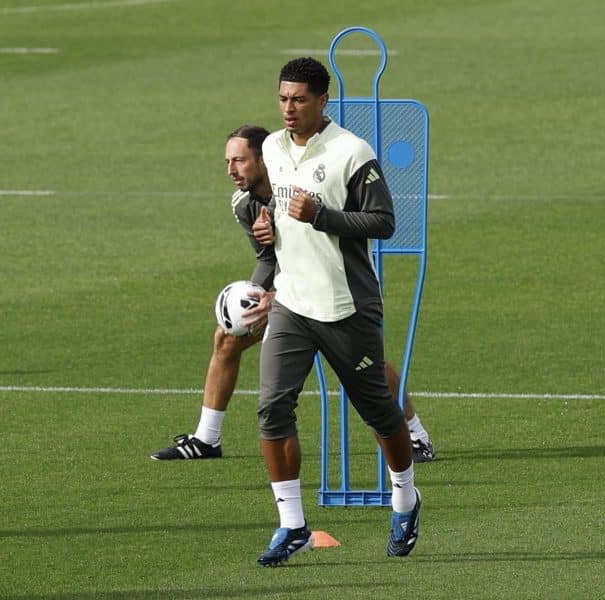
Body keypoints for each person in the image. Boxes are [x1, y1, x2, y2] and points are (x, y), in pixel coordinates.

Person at [150, 125, 435, 462]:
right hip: (290, 293)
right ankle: (206, 438)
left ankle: (416, 435)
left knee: (364, 364)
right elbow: (268, 257)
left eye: (239, 161)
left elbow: (334, 241)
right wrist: (257, 297)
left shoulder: (301, 187)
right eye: (227, 162)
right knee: (226, 337)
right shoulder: (244, 204)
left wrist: (278, 294)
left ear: (264, 160)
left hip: (335, 286)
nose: (231, 170)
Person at [251, 57, 421, 567]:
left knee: (379, 412)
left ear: (323, 101)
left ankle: (406, 498)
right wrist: (268, 227)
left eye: (300, 99)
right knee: (272, 407)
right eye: (283, 98)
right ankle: (293, 525)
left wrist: (322, 215)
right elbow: (277, 207)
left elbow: (384, 221)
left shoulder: (352, 152)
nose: (289, 108)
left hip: (346, 307)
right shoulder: (272, 147)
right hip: (291, 304)